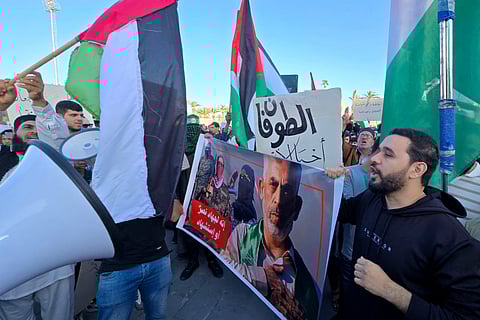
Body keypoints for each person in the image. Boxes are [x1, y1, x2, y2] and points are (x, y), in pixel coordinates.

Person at [334, 128, 480, 319]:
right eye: (378, 151)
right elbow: (341, 212)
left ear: (417, 169)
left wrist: (390, 290)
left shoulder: (447, 235)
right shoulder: (372, 198)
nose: (375, 159)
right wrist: (328, 181)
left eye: (388, 154)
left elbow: (464, 316)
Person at [0, 73, 74, 320]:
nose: (34, 132)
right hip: (12, 263)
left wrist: (39, 100)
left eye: (37, 127)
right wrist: (1, 106)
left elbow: (56, 138)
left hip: (55, 260)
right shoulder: (5, 159)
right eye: (27, 127)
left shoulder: (49, 159)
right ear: (13, 133)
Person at [222, 156, 320, 320]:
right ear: (260, 188)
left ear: (296, 207)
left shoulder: (308, 288)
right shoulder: (241, 236)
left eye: (287, 191)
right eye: (273, 185)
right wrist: (263, 277)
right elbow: (226, 273)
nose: (278, 200)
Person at [327, 138, 380, 319]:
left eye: (389, 155)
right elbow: (346, 211)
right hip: (351, 252)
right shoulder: (352, 175)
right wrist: (333, 181)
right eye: (380, 154)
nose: (379, 161)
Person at [231, 164, 257, 230]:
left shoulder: (250, 216)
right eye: (241, 178)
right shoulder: (235, 206)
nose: (242, 183)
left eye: (245, 180)